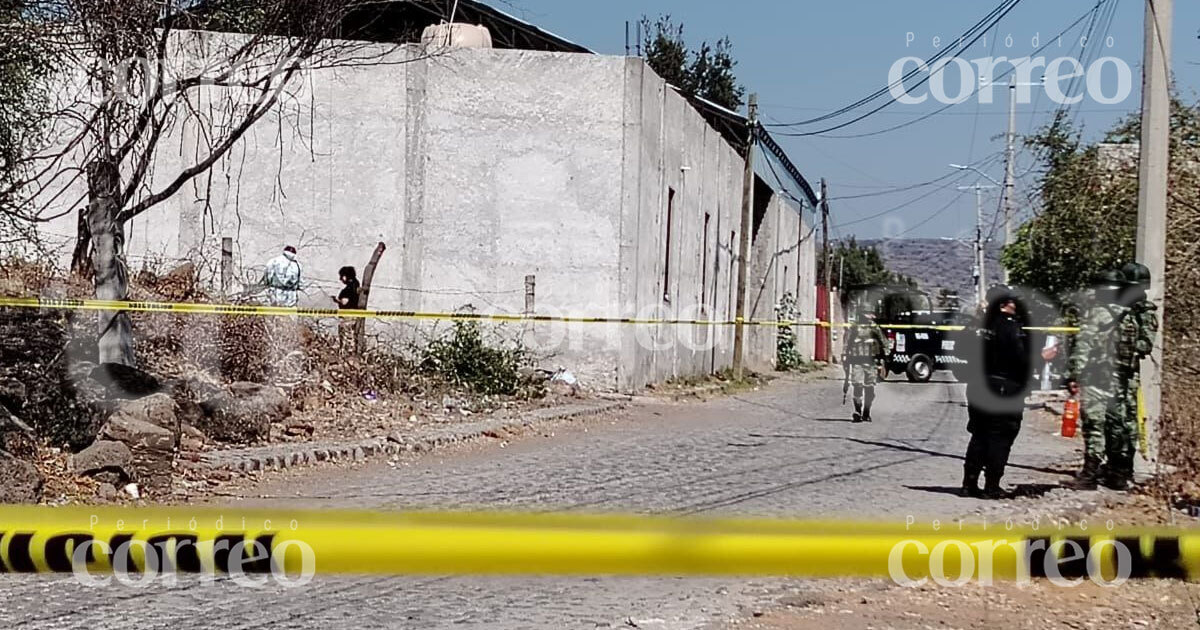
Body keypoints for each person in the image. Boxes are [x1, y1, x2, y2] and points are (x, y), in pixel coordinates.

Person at [961, 286, 1032, 499]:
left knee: (980, 434)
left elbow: (960, 350)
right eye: (1012, 302)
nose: (1016, 305)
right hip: (1004, 387)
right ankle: (992, 485)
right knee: (1001, 437)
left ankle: (969, 484)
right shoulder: (1010, 326)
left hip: (976, 386)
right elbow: (1021, 359)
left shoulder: (976, 325)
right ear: (1003, 304)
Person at [1065, 270, 1129, 490]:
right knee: (1117, 426)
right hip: (1122, 379)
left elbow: (1083, 348)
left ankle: (1090, 475)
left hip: (1097, 378)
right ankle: (1118, 474)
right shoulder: (1129, 314)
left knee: (1094, 426)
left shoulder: (1096, 314)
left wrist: (1074, 376)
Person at [1104, 262, 1159, 490]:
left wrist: (1122, 341)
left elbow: (1145, 345)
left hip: (1126, 373)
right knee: (1111, 421)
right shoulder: (1115, 307)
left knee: (1125, 423)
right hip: (1108, 372)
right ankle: (1113, 466)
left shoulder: (1144, 313)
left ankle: (1122, 469)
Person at [842, 307, 889, 423]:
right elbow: (847, 341)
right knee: (857, 385)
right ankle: (857, 411)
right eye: (868, 313)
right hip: (857, 360)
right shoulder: (854, 327)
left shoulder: (874, 327)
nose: (870, 316)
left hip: (871, 361)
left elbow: (884, 341)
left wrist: (885, 356)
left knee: (869, 388)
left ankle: (866, 412)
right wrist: (844, 354)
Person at [333, 266, 361, 353]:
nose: (340, 279)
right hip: (354, 315)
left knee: (346, 336)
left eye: (341, 276)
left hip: (347, 315)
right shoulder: (356, 284)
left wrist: (336, 300)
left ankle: (346, 354)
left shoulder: (349, 289)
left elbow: (344, 302)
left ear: (346, 276)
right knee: (351, 335)